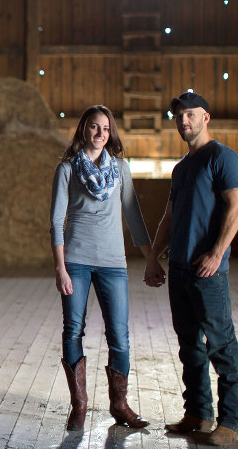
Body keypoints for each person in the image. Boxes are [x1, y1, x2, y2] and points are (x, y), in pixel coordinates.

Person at [144, 92, 238, 446]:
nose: (182, 121)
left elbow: (237, 207)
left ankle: (230, 421)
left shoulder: (222, 157)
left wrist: (217, 253)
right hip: (180, 270)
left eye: (189, 114)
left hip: (208, 272)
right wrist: (153, 257)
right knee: (189, 345)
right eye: (178, 116)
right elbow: (169, 218)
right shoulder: (181, 168)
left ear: (206, 117)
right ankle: (199, 414)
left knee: (220, 345)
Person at [50, 104, 159, 431]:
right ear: (84, 129)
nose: (100, 133)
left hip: (113, 263)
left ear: (110, 134)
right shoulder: (67, 168)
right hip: (77, 262)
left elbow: (134, 216)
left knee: (120, 336)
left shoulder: (121, 169)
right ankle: (79, 406)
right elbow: (56, 220)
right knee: (73, 329)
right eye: (94, 127)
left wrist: (151, 258)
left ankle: (119, 405)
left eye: (106, 129)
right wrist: (60, 267)